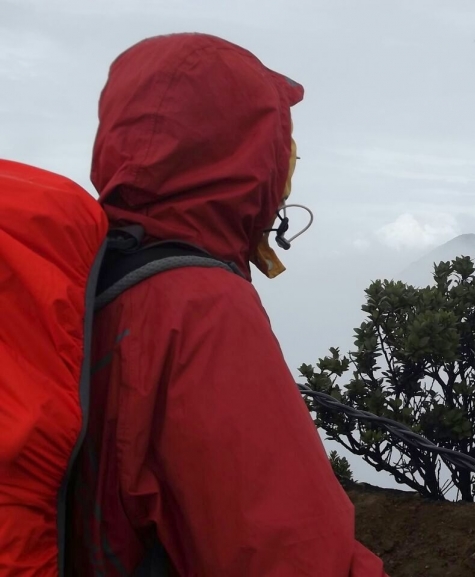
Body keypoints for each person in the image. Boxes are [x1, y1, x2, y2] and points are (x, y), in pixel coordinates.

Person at [65, 32, 388, 576]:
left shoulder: (87, 272)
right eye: (282, 147)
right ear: (243, 155)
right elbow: (290, 557)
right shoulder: (200, 308)